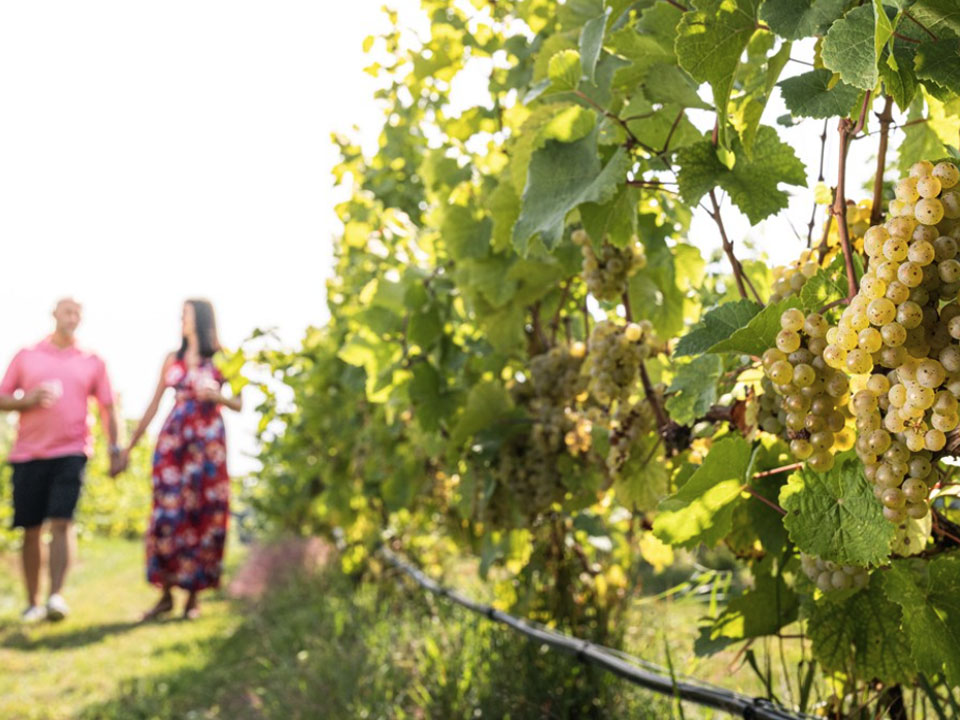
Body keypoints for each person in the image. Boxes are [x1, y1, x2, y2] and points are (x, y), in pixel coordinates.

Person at [118, 299, 241, 621]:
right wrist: (129, 446)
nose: (180, 320)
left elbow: (239, 402)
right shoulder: (172, 358)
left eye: (184, 314)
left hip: (208, 445)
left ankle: (193, 597)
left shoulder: (224, 358)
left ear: (199, 318)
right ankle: (166, 593)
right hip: (174, 444)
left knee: (204, 513)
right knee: (168, 515)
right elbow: (153, 403)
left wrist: (218, 397)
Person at [0, 298, 122, 623]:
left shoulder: (92, 360)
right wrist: (27, 400)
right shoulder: (27, 355)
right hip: (28, 453)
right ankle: (32, 601)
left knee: (62, 520)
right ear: (54, 314)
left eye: (78, 313)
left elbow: (109, 408)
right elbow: (2, 397)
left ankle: (56, 595)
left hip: (72, 450)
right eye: (67, 311)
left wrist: (115, 449)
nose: (73, 318)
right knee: (31, 528)